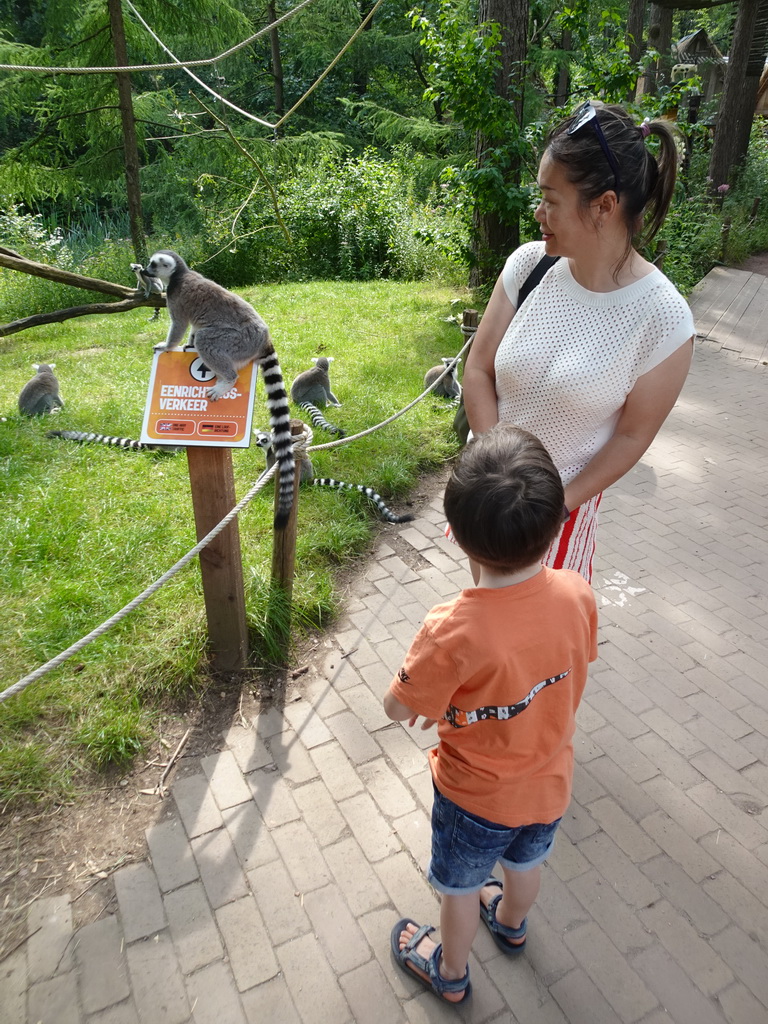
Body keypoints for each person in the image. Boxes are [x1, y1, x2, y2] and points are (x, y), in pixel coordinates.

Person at [385, 423, 598, 1004]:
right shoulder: (578, 592)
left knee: (457, 888)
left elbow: (397, 707)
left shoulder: (452, 627)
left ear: (454, 535)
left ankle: (449, 974)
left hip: (473, 797)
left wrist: (437, 698)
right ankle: (510, 922)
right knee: (527, 862)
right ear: (558, 524)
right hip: (549, 782)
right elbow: (565, 663)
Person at [458, 100, 695, 583]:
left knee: (545, 648)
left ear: (605, 205)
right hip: (486, 496)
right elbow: (478, 370)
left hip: (557, 517)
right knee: (486, 622)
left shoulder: (664, 319)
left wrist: (552, 509)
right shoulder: (529, 266)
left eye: (550, 198)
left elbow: (631, 437)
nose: (537, 211)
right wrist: (493, 474)